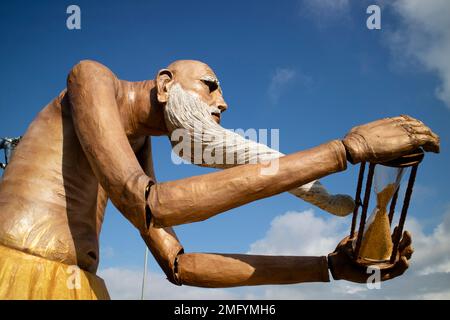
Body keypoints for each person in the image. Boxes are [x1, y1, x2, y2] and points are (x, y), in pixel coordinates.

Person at [0, 60, 440, 299]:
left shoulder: (136, 148)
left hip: (73, 286)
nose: (222, 103)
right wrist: (342, 152)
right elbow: (150, 205)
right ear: (165, 83)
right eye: (210, 86)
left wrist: (327, 268)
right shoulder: (91, 77)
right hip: (15, 274)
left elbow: (179, 266)